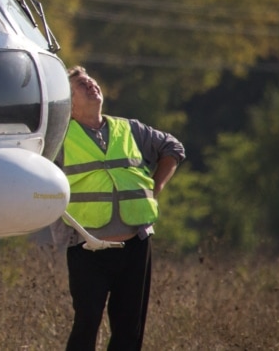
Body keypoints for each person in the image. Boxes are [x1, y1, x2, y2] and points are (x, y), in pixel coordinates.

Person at [52, 66, 185, 351]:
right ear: (68, 103)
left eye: (91, 80)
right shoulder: (58, 138)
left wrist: (155, 189)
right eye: (81, 84)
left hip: (136, 246)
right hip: (86, 247)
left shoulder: (130, 129)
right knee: (86, 324)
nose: (91, 84)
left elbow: (173, 148)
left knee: (129, 330)